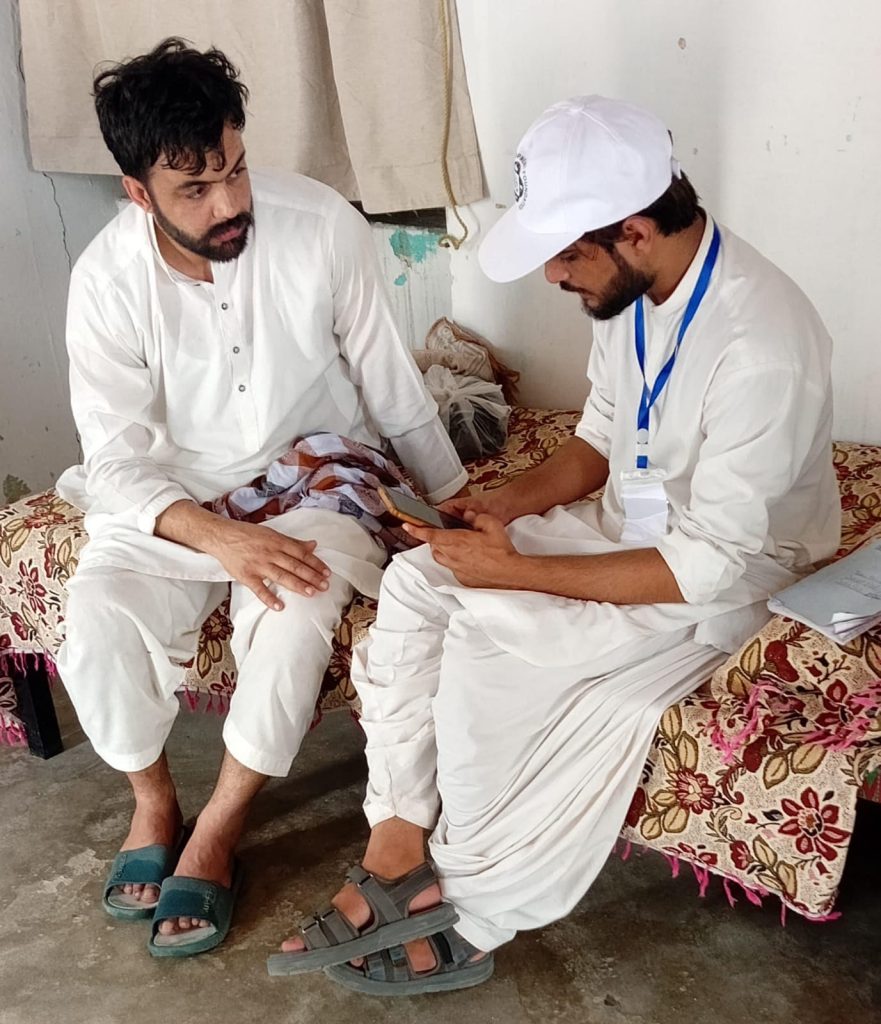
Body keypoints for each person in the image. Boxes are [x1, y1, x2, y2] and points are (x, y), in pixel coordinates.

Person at [270, 95, 840, 994]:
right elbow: (600, 438)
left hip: (728, 574)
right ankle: (397, 839)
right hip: (628, 530)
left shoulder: (763, 344)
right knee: (417, 583)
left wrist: (520, 572)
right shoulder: (634, 292)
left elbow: (711, 561)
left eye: (567, 254)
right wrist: (497, 507)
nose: (552, 276)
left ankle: (473, 910)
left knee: (490, 639)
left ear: (636, 230)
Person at [53, 37, 466, 957]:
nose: (230, 202)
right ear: (137, 193)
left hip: (312, 473)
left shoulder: (320, 223)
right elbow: (114, 456)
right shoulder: (105, 281)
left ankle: (220, 827)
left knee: (293, 606)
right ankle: (154, 804)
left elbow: (390, 382)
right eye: (195, 190)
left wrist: (455, 505)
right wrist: (214, 536)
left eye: (235, 170)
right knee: (97, 613)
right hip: (173, 496)